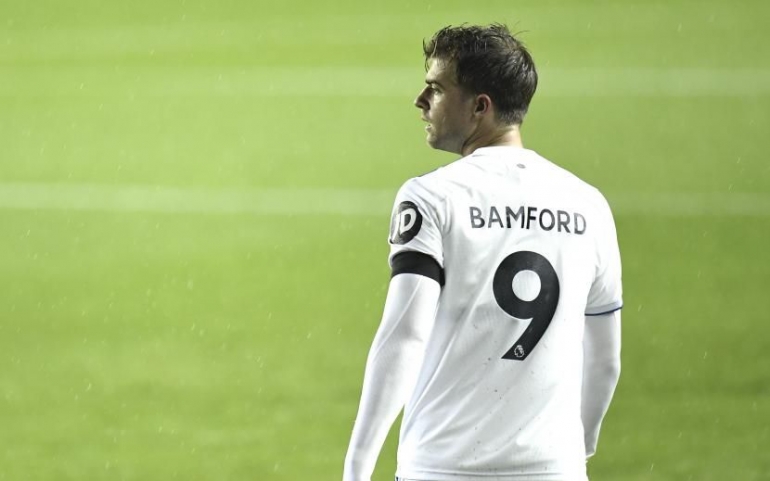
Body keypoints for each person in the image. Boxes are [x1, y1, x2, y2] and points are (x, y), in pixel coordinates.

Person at [343, 24, 622, 481]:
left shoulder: (432, 198)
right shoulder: (588, 203)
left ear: (480, 107)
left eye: (435, 88)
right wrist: (578, 449)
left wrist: (356, 468)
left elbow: (404, 336)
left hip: (443, 467)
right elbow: (605, 360)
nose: (420, 100)